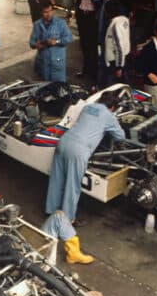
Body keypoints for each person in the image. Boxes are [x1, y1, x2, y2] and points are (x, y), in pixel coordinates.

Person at [45, 90, 124, 224]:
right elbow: (121, 137)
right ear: (112, 108)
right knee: (72, 184)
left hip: (63, 142)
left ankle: (50, 210)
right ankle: (68, 219)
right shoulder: (109, 116)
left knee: (57, 179)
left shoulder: (87, 107)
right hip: (78, 150)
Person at [29, 4, 73, 82]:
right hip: (43, 62)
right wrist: (36, 45)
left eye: (50, 11)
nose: (48, 14)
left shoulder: (61, 23)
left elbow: (69, 38)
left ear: (53, 11)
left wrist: (56, 42)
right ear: (41, 13)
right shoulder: (37, 25)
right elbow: (31, 43)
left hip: (57, 61)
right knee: (44, 87)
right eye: (45, 12)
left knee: (59, 86)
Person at [74, 0, 102, 80]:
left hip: (92, 18)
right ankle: (85, 70)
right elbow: (78, 0)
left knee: (92, 46)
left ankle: (94, 73)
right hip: (82, 16)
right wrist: (77, 14)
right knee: (84, 45)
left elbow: (100, 3)